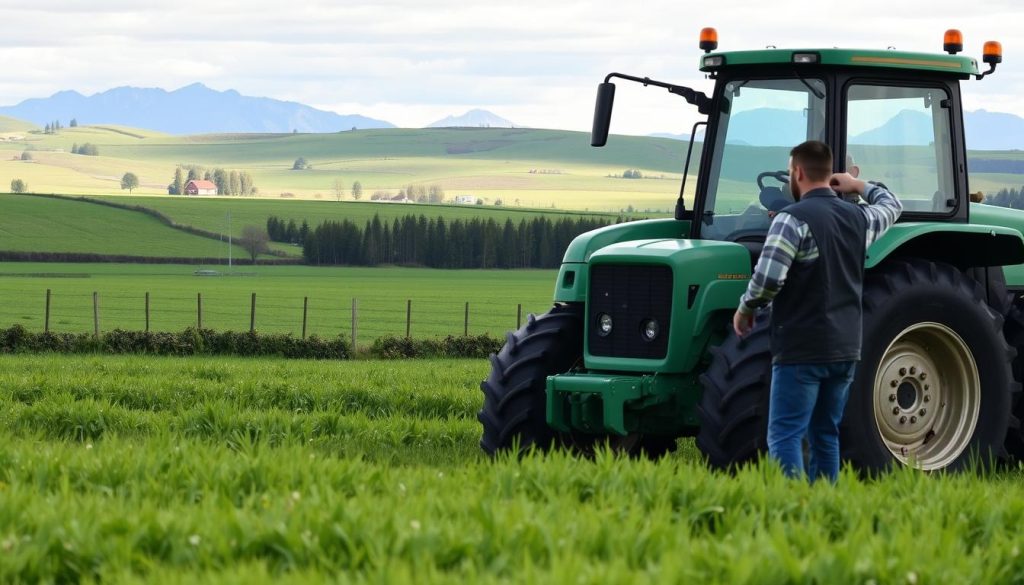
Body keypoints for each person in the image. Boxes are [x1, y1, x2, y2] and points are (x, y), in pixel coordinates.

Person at [732, 140, 903, 483]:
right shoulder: (859, 219)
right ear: (830, 174)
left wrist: (746, 308)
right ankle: (824, 507)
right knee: (826, 434)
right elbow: (891, 205)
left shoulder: (790, 220)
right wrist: (858, 185)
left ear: (796, 172)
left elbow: (768, 278)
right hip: (844, 350)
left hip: (801, 348)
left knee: (785, 435)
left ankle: (791, 509)